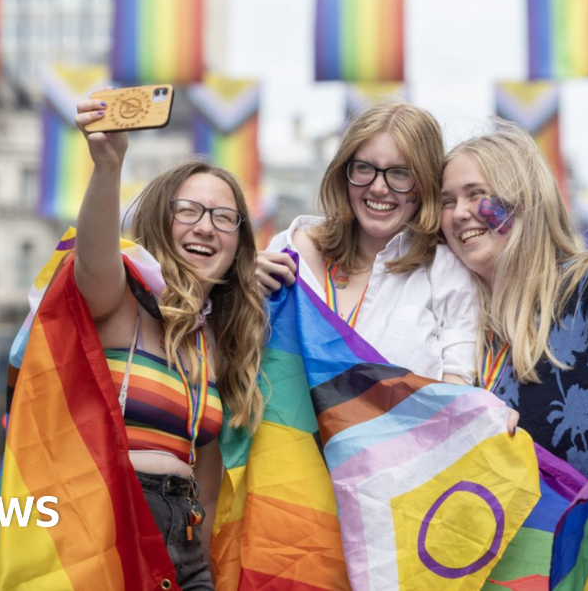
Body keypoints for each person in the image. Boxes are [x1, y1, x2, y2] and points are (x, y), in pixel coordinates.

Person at [74, 98, 269, 590]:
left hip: (184, 552)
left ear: (238, 243)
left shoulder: (217, 345)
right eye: (189, 211)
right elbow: (94, 257)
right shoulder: (123, 304)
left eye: (224, 218)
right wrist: (108, 166)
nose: (206, 226)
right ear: (162, 221)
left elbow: (203, 480)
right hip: (108, 537)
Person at [438, 123, 588, 476]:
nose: (458, 213)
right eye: (447, 201)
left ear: (523, 199)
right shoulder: (447, 316)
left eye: (475, 193)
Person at [255, 100, 479, 383]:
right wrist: (239, 291)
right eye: (364, 168)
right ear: (343, 172)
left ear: (425, 184)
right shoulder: (293, 248)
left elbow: (456, 395)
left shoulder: (445, 271)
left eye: (400, 173)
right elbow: (239, 356)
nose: (378, 187)